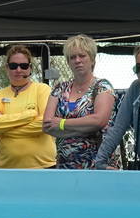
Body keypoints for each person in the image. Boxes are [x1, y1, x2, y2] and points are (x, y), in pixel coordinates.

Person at [42, 34, 116, 169]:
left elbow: (99, 121)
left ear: (92, 59)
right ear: (68, 62)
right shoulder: (59, 88)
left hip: (98, 165)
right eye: (72, 57)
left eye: (82, 56)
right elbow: (47, 126)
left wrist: (62, 123)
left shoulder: (102, 87)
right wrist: (86, 129)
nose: (77, 60)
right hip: (65, 166)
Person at [0, 45, 56, 169]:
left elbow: (45, 124)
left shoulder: (42, 90)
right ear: (7, 68)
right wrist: (28, 115)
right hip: (6, 168)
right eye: (13, 66)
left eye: (23, 66)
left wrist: (6, 130)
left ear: (30, 68)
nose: (18, 70)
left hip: (43, 166)